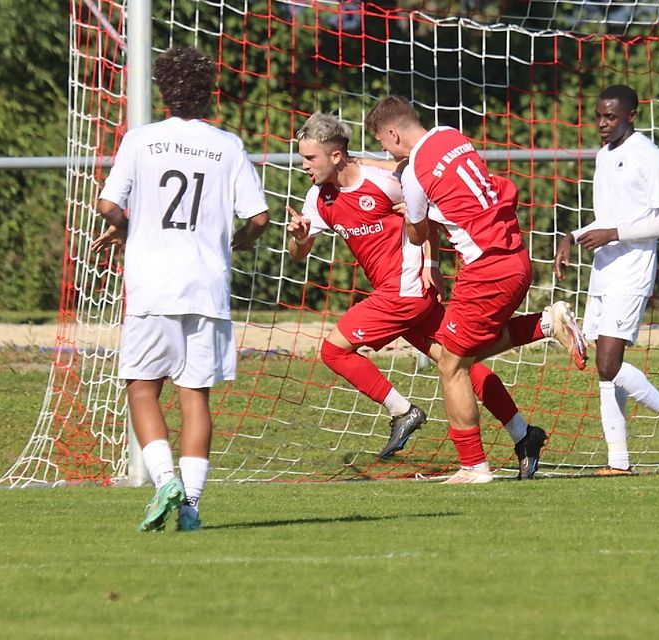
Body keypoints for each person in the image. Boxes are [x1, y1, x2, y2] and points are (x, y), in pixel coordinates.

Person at [287, 112, 585, 482]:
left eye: (309, 158)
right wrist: (299, 238)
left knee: (333, 350)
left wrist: (430, 262)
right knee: (461, 363)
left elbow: (421, 212)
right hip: (400, 294)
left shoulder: (386, 180)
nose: (303, 166)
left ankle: (405, 414)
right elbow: (300, 254)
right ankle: (524, 433)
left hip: (406, 293)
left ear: (335, 156)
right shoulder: (317, 198)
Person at [91, 46, 270, 530]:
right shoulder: (227, 145)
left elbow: (108, 205)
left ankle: (165, 479)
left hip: (152, 284)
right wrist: (244, 241)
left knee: (142, 389)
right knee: (196, 398)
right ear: (209, 93)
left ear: (163, 92)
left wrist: (128, 227)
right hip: (206, 286)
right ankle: (190, 507)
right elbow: (259, 217)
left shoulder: (141, 140)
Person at [554, 84, 659, 475]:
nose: (602, 124)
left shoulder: (646, 156)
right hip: (604, 269)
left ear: (632, 116)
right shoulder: (604, 155)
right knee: (605, 373)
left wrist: (614, 233)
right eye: (599, 116)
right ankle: (618, 461)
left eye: (611, 117)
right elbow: (609, 217)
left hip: (632, 269)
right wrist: (573, 235)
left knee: (608, 363)